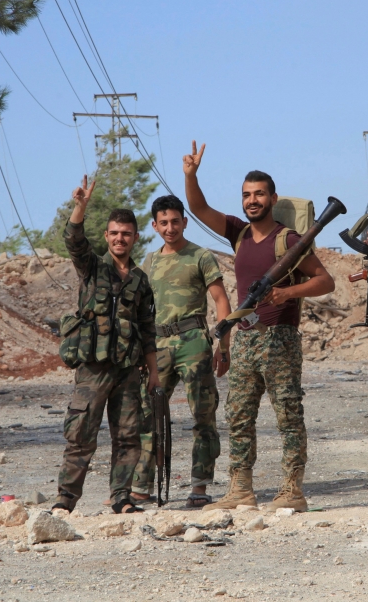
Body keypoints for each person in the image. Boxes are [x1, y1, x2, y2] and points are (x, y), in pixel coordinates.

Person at [183, 141, 336, 512]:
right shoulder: (238, 233)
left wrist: (287, 293)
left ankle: (292, 490)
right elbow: (199, 208)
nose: (252, 200)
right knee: (238, 416)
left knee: (287, 415)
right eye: (246, 195)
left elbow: (325, 282)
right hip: (247, 338)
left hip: (279, 338)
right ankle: (240, 490)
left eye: (259, 194)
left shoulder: (289, 240)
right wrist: (191, 175)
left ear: (273, 198)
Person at [54, 176, 158, 515]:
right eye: (114, 233)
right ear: (106, 236)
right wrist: (80, 207)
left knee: (128, 437)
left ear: (135, 238)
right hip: (93, 368)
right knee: (81, 434)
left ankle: (121, 498)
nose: (119, 238)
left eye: (126, 233)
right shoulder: (93, 268)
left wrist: (153, 373)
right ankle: (65, 501)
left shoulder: (141, 281)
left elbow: (147, 329)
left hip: (128, 370)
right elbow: (73, 241)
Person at [130, 194, 233, 508]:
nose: (170, 227)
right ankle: (141, 486)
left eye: (175, 221)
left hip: (193, 343)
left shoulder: (200, 256)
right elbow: (139, 308)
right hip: (158, 346)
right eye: (164, 223)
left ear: (185, 222)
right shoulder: (149, 262)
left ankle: (199, 486)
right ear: (154, 226)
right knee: (148, 415)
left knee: (203, 415)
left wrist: (223, 346)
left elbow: (221, 302)